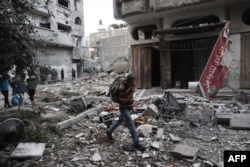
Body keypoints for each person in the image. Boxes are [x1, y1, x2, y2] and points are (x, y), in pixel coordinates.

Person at [106, 74, 146, 152]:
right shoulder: (123, 88)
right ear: (128, 80)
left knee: (120, 121)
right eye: (131, 81)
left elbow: (130, 97)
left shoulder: (132, 85)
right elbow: (122, 101)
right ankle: (136, 143)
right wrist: (129, 103)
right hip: (124, 108)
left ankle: (109, 131)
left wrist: (131, 103)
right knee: (131, 125)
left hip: (128, 106)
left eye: (134, 81)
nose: (133, 83)